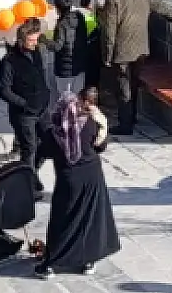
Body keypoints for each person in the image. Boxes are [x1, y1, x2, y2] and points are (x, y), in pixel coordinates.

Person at [33, 90, 121, 280]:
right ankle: (87, 261)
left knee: (63, 220)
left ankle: (51, 263)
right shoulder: (88, 124)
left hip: (69, 182)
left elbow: (42, 152)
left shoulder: (55, 134)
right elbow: (101, 146)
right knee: (88, 218)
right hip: (92, 177)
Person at [0, 20, 54, 188]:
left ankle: (32, 171)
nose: (35, 44)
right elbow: (4, 91)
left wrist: (46, 94)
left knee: (50, 142)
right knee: (29, 148)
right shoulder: (9, 61)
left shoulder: (36, 52)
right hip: (24, 114)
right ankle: (27, 186)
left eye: (36, 40)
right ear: (22, 40)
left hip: (42, 109)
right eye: (31, 40)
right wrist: (25, 104)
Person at [96, 0, 150, 137]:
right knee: (133, 84)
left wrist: (107, 55)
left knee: (123, 89)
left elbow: (109, 31)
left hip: (122, 53)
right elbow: (161, 7)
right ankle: (132, 116)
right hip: (141, 49)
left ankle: (126, 125)